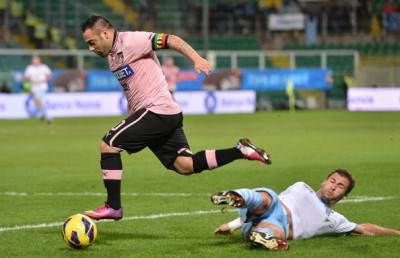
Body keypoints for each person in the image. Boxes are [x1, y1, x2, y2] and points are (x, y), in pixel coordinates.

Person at [80, 15, 272, 220]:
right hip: (161, 113)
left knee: (108, 144)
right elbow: (131, 90)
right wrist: (132, 125)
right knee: (185, 165)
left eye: (92, 42)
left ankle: (113, 206)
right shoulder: (112, 58)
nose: (91, 48)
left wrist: (197, 59)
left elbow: (171, 39)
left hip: (157, 110)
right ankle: (240, 151)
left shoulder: (131, 41)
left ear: (105, 33)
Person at [211, 168, 400, 251]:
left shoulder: (335, 220)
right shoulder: (301, 187)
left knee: (276, 232)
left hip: (274, 226)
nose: (333, 187)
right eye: (332, 181)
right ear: (324, 181)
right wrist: (231, 224)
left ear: (345, 196)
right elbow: (266, 205)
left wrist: (397, 232)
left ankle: (263, 237)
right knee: (266, 197)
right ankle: (236, 196)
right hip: (271, 207)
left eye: (340, 186)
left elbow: (365, 228)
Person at [24, 55, 52, 123]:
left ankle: (48, 117)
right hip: (33, 87)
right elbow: (26, 78)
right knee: (37, 102)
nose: (35, 61)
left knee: (37, 100)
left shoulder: (44, 67)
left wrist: (44, 80)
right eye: (34, 60)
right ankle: (43, 114)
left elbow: (49, 75)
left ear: (39, 60)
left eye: (36, 60)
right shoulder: (29, 68)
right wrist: (29, 84)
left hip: (42, 86)